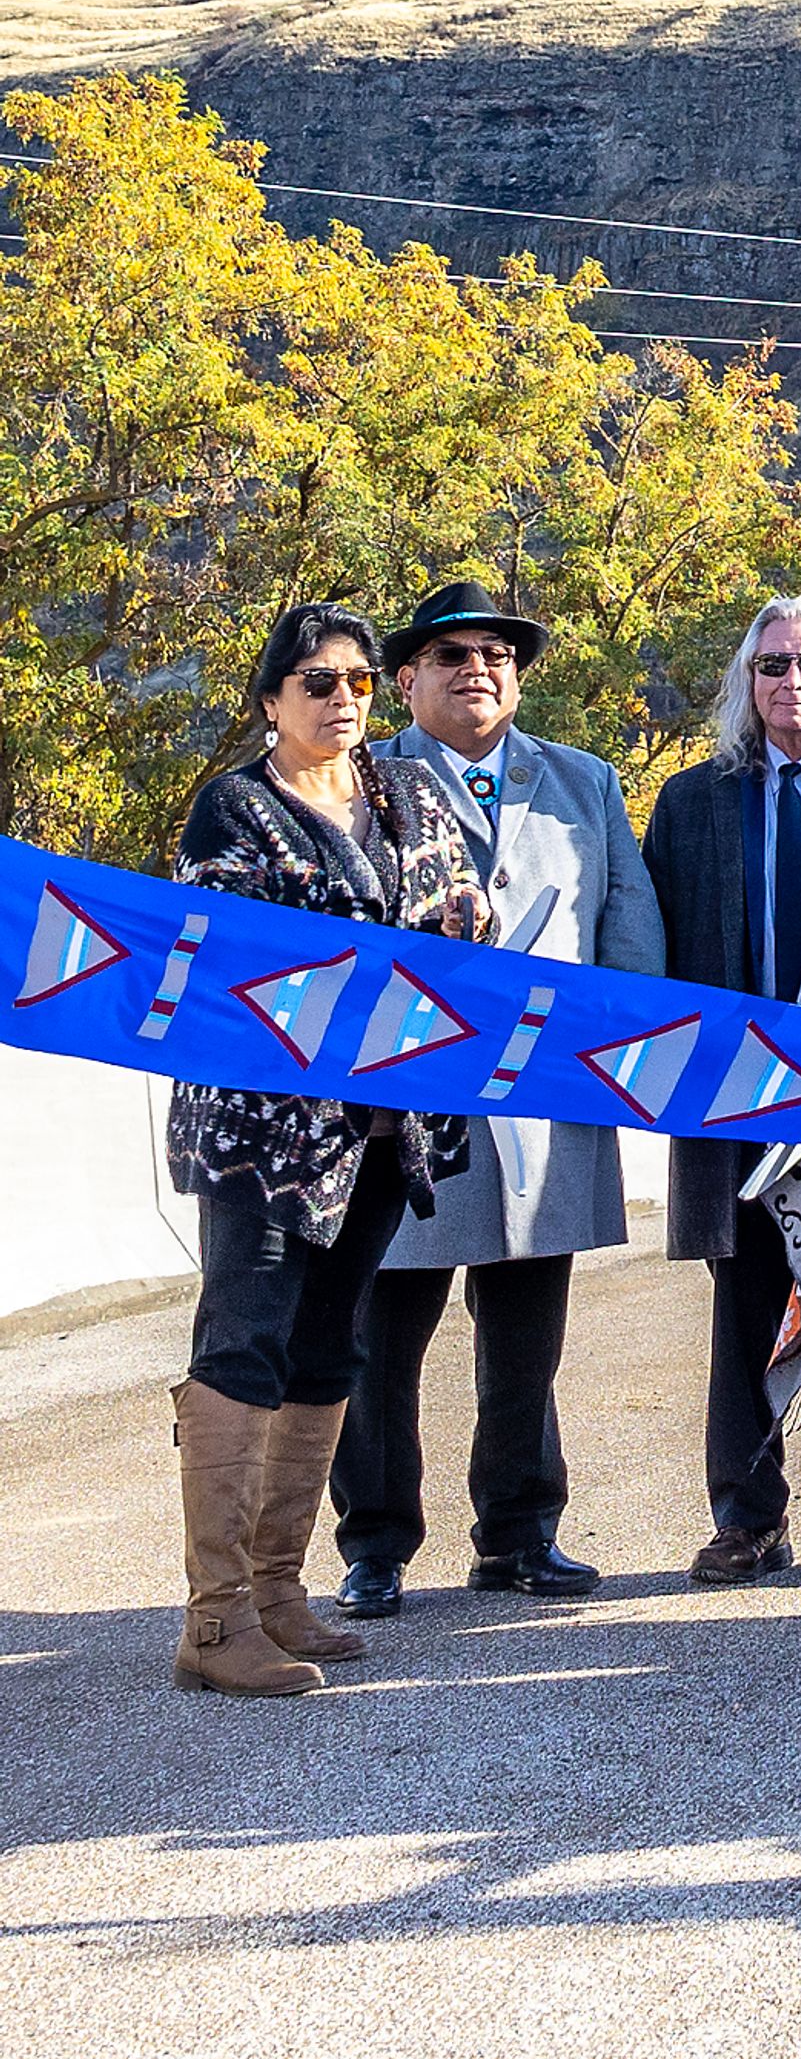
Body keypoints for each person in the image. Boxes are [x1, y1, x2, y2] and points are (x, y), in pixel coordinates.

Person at [161, 605, 489, 1695]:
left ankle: (277, 1588)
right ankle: (213, 1623)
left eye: (355, 679)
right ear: (271, 701)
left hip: (385, 1128)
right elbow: (228, 959)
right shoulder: (235, 808)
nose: (340, 697)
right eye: (315, 681)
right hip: (264, 1132)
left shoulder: (410, 791)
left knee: (327, 1346)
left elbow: (461, 918)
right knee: (244, 1340)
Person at [334, 582, 664, 1618]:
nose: (476, 668)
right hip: (402, 1105)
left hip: (543, 1100)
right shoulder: (357, 782)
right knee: (381, 1338)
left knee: (526, 1337)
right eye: (451, 655)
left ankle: (520, 1532)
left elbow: (625, 926)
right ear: (406, 679)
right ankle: (376, 1543)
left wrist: (624, 1062)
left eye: (495, 655)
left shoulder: (584, 780)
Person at [646, 596, 801, 1590]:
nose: (793, 684)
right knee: (748, 1305)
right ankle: (749, 1517)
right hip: (738, 1096)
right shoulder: (693, 799)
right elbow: (654, 956)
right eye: (773, 665)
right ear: (748, 682)